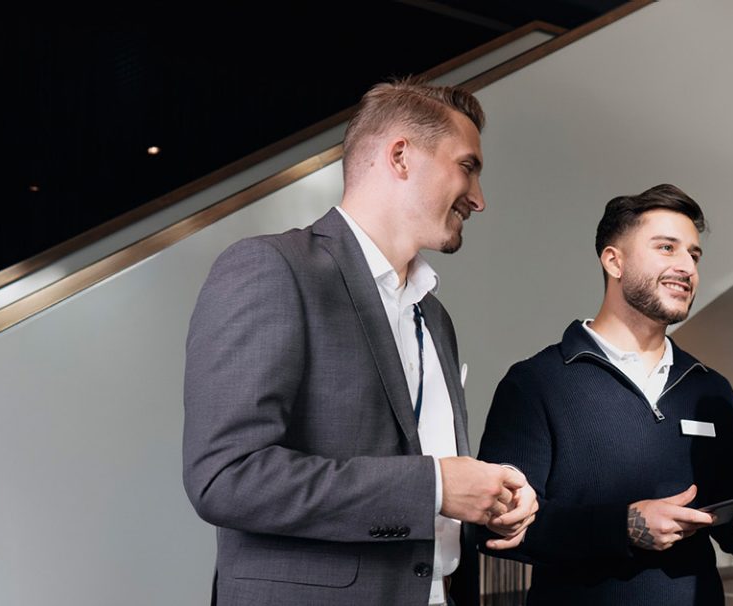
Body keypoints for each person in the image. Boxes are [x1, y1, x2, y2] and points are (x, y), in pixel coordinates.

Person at [182, 76, 539, 605]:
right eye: (468, 167)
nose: (479, 200)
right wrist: (436, 487)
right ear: (400, 156)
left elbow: (428, 472)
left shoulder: (435, 317)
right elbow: (227, 476)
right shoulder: (271, 268)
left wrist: (493, 495)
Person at [475, 184, 733, 605]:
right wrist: (623, 526)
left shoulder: (711, 389)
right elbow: (494, 527)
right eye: (667, 248)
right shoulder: (535, 383)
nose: (687, 266)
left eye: (694, 254)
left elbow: (724, 506)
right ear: (614, 261)